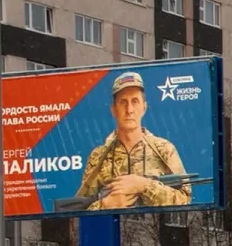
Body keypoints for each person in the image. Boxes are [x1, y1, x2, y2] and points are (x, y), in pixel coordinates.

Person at [75, 71, 190, 210]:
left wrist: (143, 185)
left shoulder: (164, 149)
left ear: (144, 107)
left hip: (153, 231)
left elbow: (184, 199)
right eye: (123, 102)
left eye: (135, 101)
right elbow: (78, 210)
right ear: (113, 110)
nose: (129, 110)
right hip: (108, 230)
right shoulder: (98, 156)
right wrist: (104, 205)